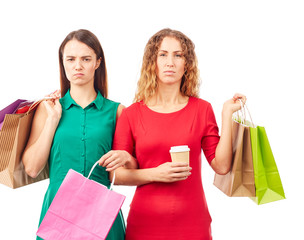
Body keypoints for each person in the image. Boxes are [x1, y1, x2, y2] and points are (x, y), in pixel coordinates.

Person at [98, 28, 246, 240]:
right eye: (163, 54)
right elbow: (115, 175)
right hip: (144, 225)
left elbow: (221, 166)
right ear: (153, 62)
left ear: (187, 64)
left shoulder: (202, 109)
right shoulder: (131, 114)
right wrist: (155, 174)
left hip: (193, 225)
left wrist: (227, 115)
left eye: (178, 55)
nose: (170, 62)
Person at [22, 29, 127, 240]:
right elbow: (32, 168)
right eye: (70, 59)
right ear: (63, 63)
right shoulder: (48, 109)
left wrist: (126, 157)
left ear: (97, 62)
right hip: (57, 216)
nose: (77, 66)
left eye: (86, 59)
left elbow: (126, 172)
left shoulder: (117, 111)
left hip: (102, 216)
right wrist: (52, 121)